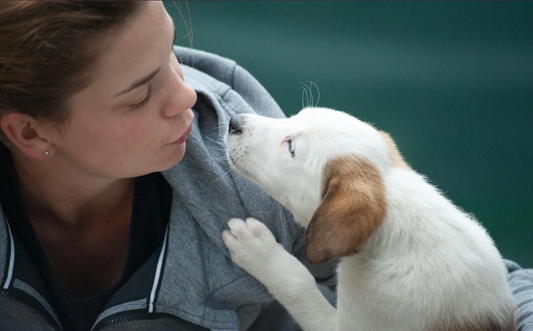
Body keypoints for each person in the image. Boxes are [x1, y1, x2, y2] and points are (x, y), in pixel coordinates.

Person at [0, 1, 530, 331]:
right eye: (140, 95)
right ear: (28, 131)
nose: (188, 95)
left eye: (171, 52)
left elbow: (492, 290)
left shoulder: (250, 185)